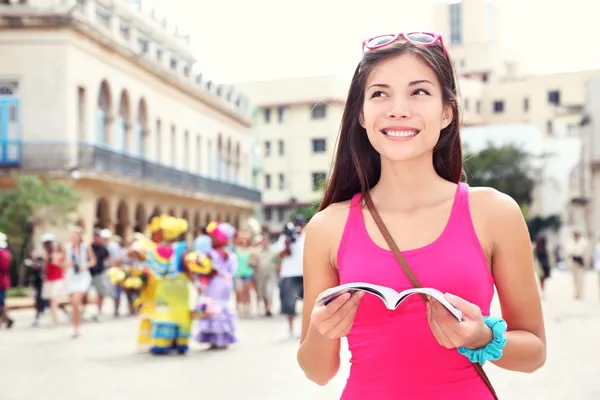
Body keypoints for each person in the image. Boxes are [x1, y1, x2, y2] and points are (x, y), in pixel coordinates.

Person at [297, 32, 546, 399]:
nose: (399, 109)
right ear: (362, 115)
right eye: (380, 93)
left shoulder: (494, 213)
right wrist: (322, 328)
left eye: (419, 92)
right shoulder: (327, 227)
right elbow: (317, 371)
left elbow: (534, 353)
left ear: (447, 111)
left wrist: (483, 336)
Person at [144, 216, 191, 355]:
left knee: (164, 312)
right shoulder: (180, 248)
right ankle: (179, 342)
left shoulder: (156, 249)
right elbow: (185, 265)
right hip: (179, 284)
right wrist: (193, 278)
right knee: (180, 312)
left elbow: (151, 267)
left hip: (164, 284)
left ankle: (162, 342)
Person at [193, 222, 238, 349]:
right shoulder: (229, 253)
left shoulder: (211, 253)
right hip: (227, 283)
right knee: (223, 307)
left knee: (214, 308)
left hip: (215, 284)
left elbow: (208, 270)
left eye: (213, 238)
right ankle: (224, 337)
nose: (211, 240)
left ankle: (215, 338)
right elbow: (232, 270)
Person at [274, 215, 306, 337]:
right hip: (289, 274)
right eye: (297, 223)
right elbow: (280, 255)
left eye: (301, 223)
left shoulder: (306, 236)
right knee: (289, 304)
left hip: (304, 273)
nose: (299, 226)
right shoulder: (285, 237)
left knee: (308, 303)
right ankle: (291, 329)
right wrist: (287, 244)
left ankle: (305, 329)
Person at [65, 227, 96, 338]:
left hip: (82, 276)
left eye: (76, 235)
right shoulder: (67, 248)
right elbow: (63, 262)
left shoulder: (86, 247)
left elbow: (92, 261)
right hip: (71, 276)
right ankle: (75, 326)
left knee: (75, 302)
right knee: (74, 304)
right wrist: (68, 264)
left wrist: (84, 266)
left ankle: (77, 326)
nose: (74, 237)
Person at [565, 229, 590, 300]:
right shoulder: (570, 242)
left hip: (580, 263)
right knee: (574, 280)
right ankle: (576, 293)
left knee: (581, 279)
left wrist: (586, 262)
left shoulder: (584, 242)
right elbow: (567, 253)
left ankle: (580, 293)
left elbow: (586, 253)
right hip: (573, 263)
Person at [0, 233, 14, 329]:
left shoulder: (2, 253)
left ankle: (6, 319)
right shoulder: (6, 253)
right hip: (4, 280)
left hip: (1, 281)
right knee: (2, 302)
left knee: (1, 302)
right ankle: (7, 319)